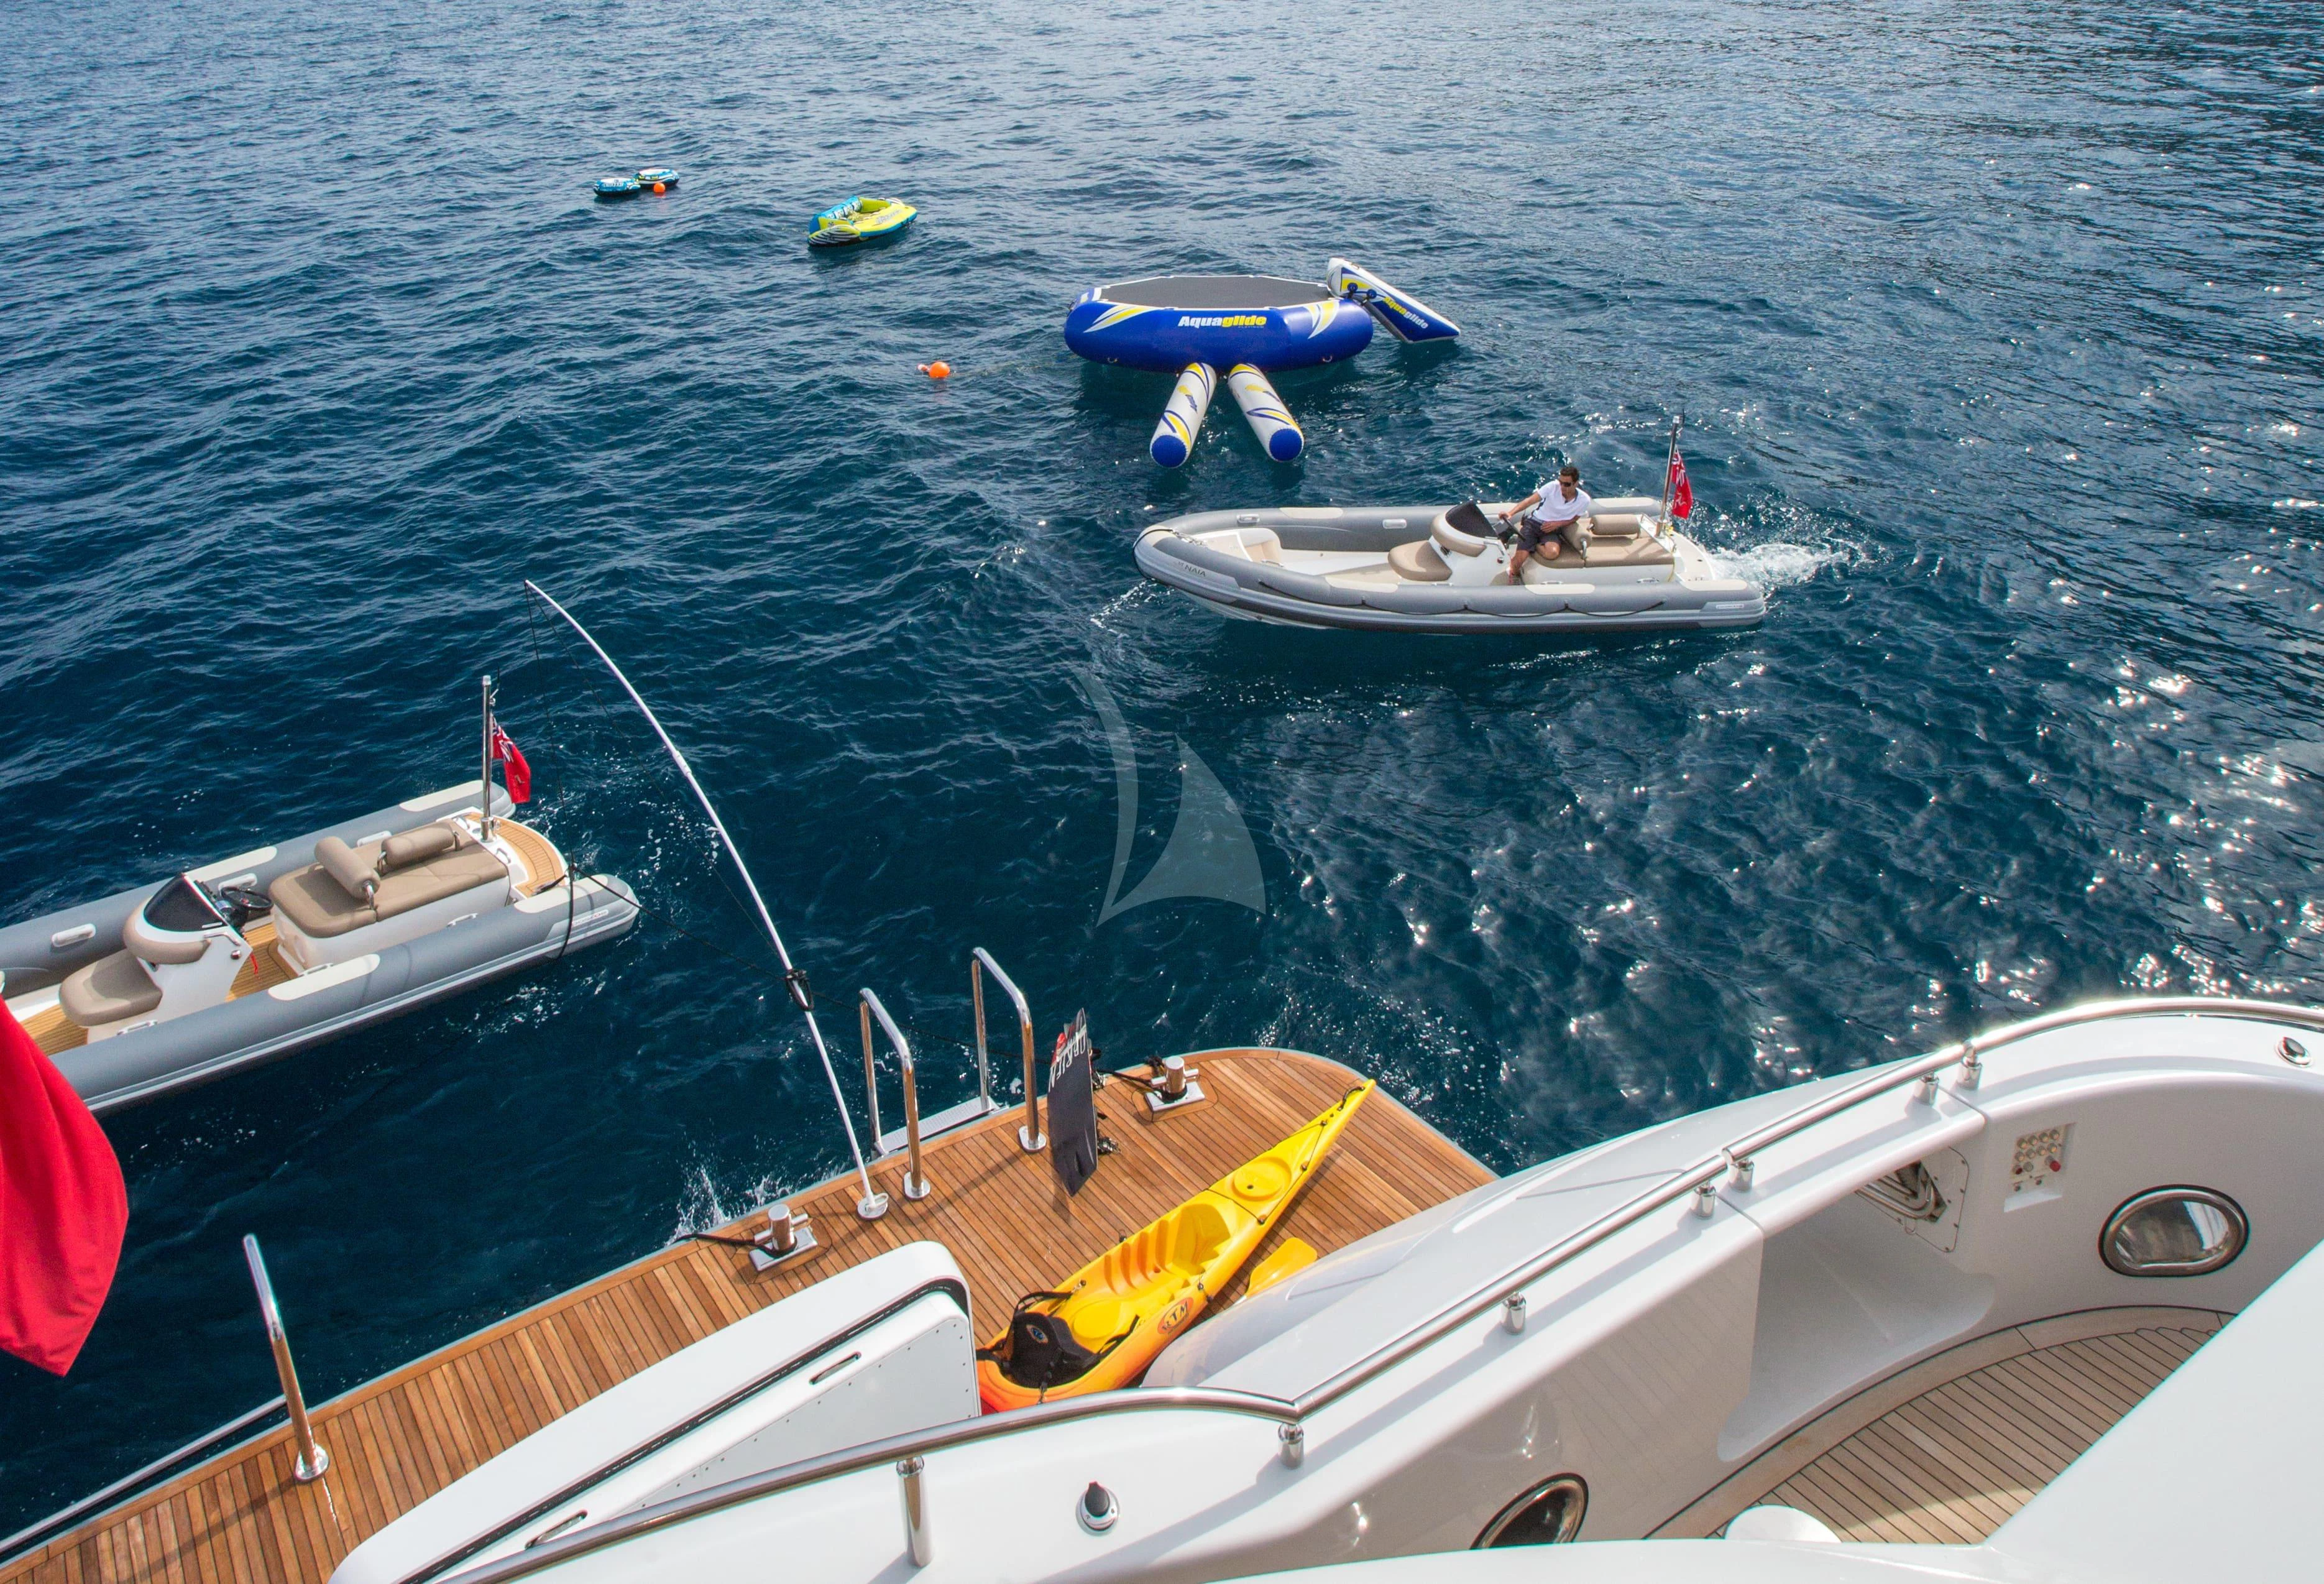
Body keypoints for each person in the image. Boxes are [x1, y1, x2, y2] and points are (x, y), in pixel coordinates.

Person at [1499, 466, 1594, 580]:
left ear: (1576, 484)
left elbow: (1574, 519)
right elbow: (1529, 501)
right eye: (1561, 483)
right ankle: (1512, 573)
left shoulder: (1584, 500)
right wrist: (1510, 513)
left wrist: (1557, 524)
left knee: (1552, 553)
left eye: (1567, 484)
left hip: (1552, 529)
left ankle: (1532, 544)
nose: (1562, 487)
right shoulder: (1552, 487)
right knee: (1520, 559)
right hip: (1534, 523)